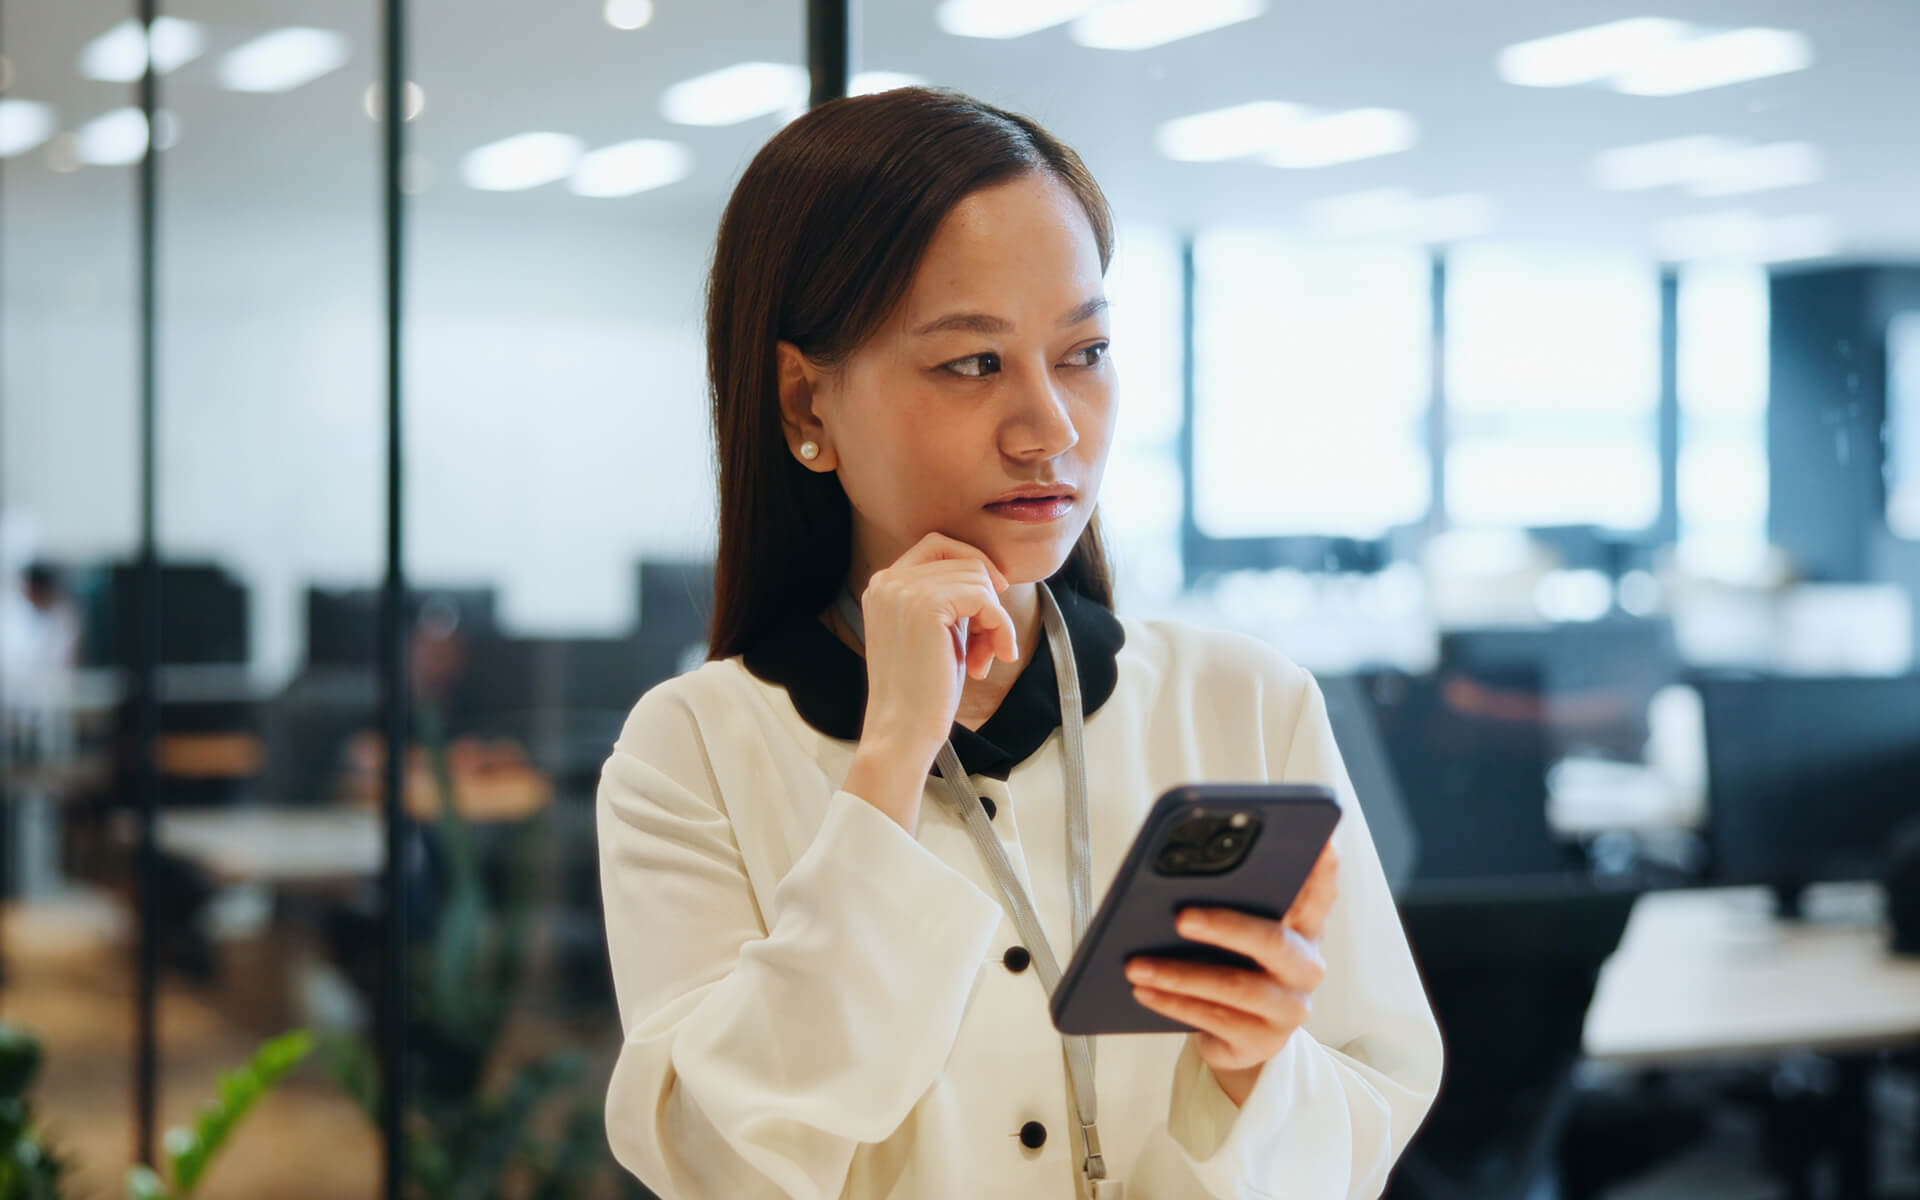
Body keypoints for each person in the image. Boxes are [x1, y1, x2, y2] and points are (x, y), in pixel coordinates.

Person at [596, 86, 1442, 1200]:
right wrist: (890, 762)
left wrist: (1253, 1076)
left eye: (1084, 352)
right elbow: (717, 1163)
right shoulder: (695, 746)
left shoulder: (1244, 702)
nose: (1051, 428)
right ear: (807, 403)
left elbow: (1370, 1113)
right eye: (974, 364)